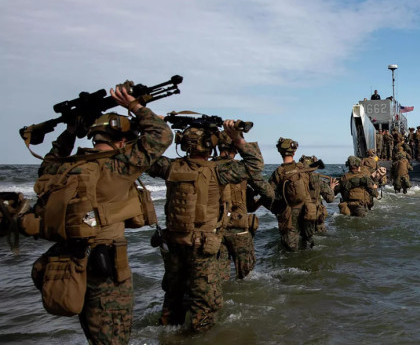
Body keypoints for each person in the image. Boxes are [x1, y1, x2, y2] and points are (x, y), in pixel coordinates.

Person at [21, 85, 172, 345]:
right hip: (107, 269)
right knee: (113, 339)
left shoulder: (64, 168)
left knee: (94, 335)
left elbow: (50, 160)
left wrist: (69, 132)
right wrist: (135, 106)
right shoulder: (116, 168)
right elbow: (162, 135)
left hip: (70, 264)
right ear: (122, 141)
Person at [147, 119, 267, 332]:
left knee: (173, 299)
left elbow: (144, 158)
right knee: (205, 303)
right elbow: (255, 164)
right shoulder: (218, 171)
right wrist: (237, 138)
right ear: (210, 145)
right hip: (202, 247)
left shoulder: (170, 167)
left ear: (183, 142)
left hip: (174, 245)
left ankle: (166, 336)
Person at [214, 131, 274, 281]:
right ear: (235, 148)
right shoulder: (240, 170)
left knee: (220, 278)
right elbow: (269, 193)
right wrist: (256, 201)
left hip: (213, 230)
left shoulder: (207, 168)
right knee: (247, 278)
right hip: (239, 228)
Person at [268, 138, 316, 251]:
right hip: (307, 210)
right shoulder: (303, 168)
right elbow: (312, 187)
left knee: (290, 248)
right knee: (308, 242)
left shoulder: (278, 172)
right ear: (294, 152)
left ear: (280, 152)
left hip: (289, 213)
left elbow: (269, 193)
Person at [298, 155, 337, 233]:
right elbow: (330, 199)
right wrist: (331, 188)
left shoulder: (295, 180)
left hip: (300, 215)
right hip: (316, 216)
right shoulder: (318, 180)